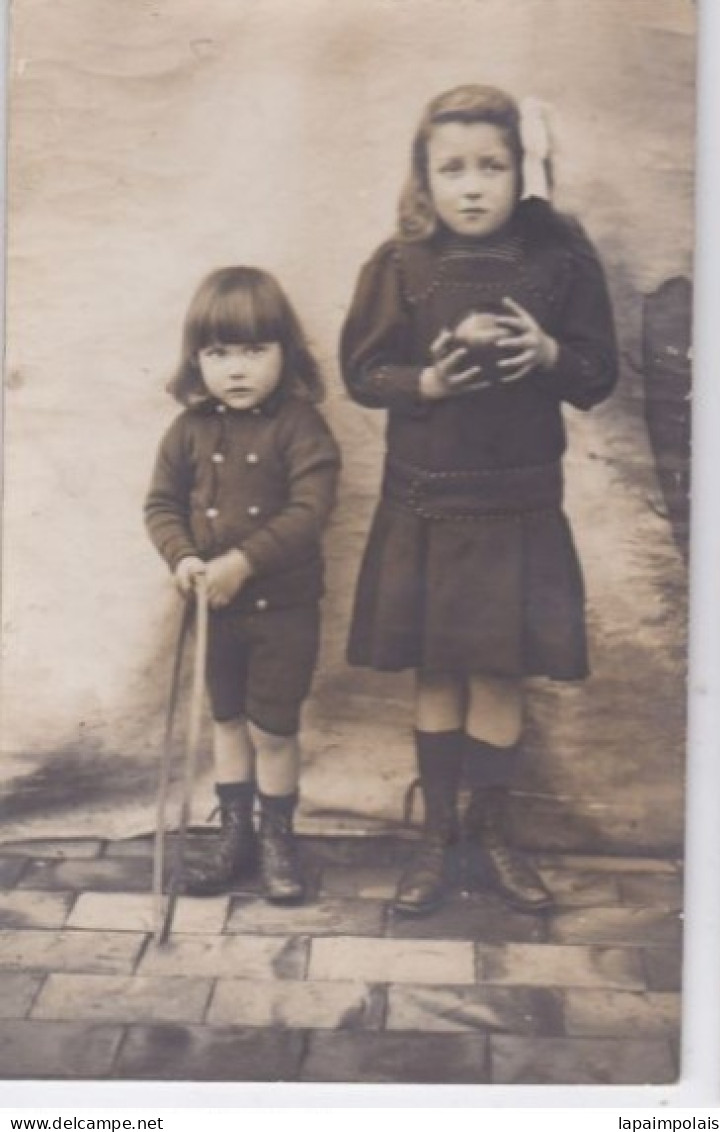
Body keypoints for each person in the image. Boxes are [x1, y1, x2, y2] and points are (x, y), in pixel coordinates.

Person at [340, 85, 618, 917]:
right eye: (451, 168)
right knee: (438, 673)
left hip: (519, 506)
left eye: (491, 166)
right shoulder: (398, 264)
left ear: (520, 170)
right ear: (423, 177)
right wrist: (422, 379)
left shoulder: (560, 262)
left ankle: (492, 834)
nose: (472, 186)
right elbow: (360, 371)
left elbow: (597, 374)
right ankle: (439, 842)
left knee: (498, 675)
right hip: (426, 506)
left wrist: (546, 353)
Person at [145, 266, 341, 903]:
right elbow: (161, 506)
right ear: (196, 358)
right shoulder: (188, 431)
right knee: (227, 721)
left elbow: (309, 512)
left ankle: (279, 836)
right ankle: (236, 837)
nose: (236, 368)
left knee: (272, 728)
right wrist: (182, 559)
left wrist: (243, 561)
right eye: (218, 352)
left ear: (285, 351)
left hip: (282, 612)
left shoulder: (301, 426)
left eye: (254, 350)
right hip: (216, 614)